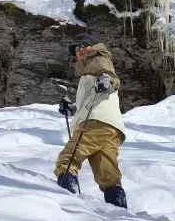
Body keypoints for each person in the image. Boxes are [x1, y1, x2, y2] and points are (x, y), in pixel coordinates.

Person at [54, 33, 128, 209]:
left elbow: (110, 76)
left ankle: (67, 203)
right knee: (108, 175)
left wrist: (107, 82)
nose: (79, 51)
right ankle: (120, 212)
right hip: (111, 127)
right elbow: (90, 99)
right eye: (76, 49)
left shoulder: (98, 57)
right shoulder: (88, 71)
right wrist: (71, 108)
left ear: (90, 47)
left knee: (68, 159)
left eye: (82, 47)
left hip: (96, 122)